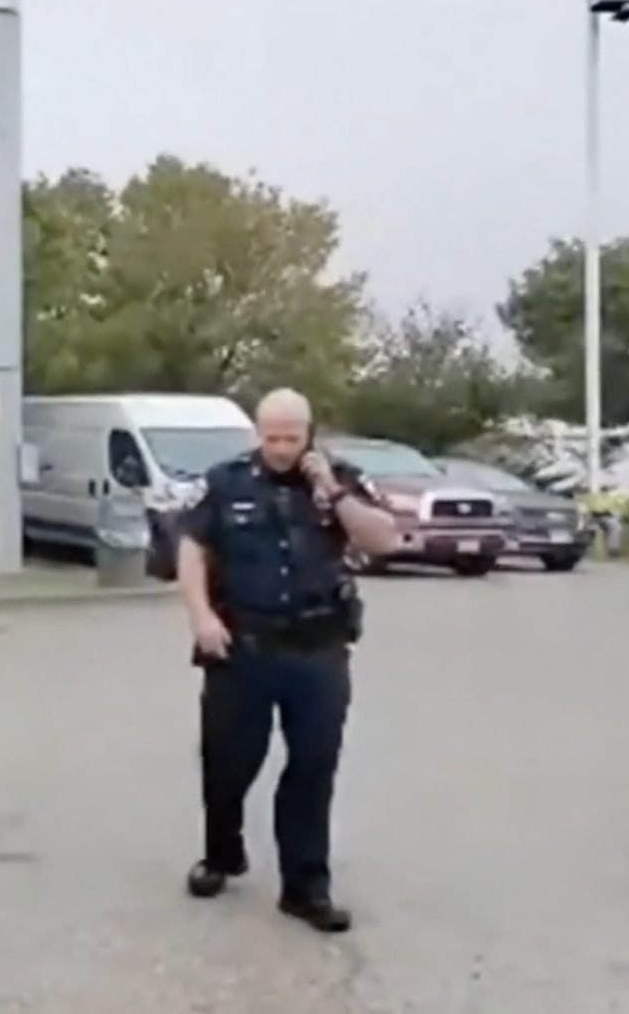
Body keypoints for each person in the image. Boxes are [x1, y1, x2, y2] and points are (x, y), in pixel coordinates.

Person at [175, 389, 398, 933]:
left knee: (313, 768)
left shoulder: (339, 479)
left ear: (309, 433)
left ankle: (305, 888)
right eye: (269, 437)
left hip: (317, 650)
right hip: (241, 648)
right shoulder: (227, 482)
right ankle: (221, 853)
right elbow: (190, 546)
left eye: (290, 438)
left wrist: (332, 491)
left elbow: (385, 539)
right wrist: (201, 616)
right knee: (227, 764)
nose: (278, 448)